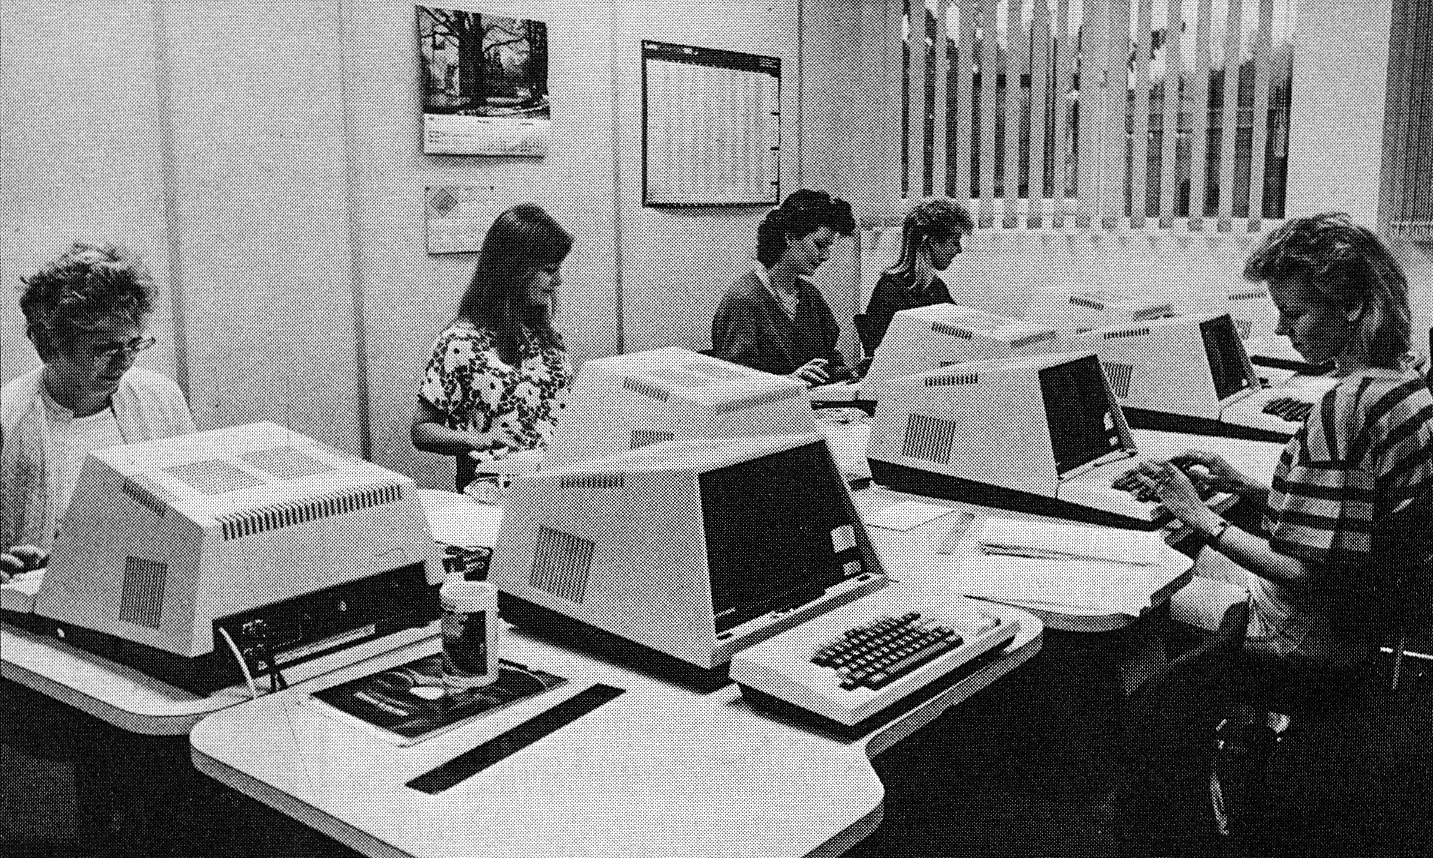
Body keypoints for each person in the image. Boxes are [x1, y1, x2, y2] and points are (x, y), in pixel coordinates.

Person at [1115, 213, 1433, 856]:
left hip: (1314, 636)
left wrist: (1198, 519)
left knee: (1145, 597)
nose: (1283, 330)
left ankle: (1179, 815)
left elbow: (1309, 572)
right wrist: (1250, 486)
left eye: (1295, 314)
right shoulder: (1407, 392)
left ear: (1347, 309)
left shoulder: (1343, 406)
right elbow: (1356, 521)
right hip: (1383, 630)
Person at [2, 242, 195, 581]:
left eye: (134, 344)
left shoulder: (161, 399)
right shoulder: (8, 416)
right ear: (51, 345)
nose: (124, 361)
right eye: (106, 348)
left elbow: (197, 512)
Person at [412, 204, 574, 491]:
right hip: (491, 493)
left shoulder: (547, 336)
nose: (558, 281)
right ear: (515, 271)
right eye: (549, 270)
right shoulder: (458, 344)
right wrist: (479, 440)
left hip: (553, 487)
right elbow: (422, 430)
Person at [711, 189, 856, 385]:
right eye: (820, 245)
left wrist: (854, 373)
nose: (826, 256)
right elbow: (732, 385)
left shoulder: (810, 295)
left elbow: (829, 359)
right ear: (790, 237)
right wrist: (787, 382)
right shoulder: (743, 299)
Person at [863, 197, 974, 350]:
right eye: (955, 242)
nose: (959, 250)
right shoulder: (890, 290)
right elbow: (882, 354)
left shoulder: (936, 288)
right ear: (932, 241)